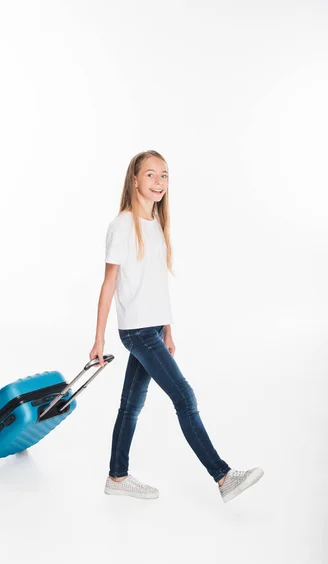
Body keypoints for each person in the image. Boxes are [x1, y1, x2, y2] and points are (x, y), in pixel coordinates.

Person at [89, 150, 264, 503]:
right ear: (134, 179)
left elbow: (157, 283)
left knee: (130, 405)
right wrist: (98, 339)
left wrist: (168, 329)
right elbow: (109, 283)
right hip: (136, 330)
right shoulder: (122, 225)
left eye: (164, 176)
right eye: (151, 175)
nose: (159, 182)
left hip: (152, 329)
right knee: (184, 396)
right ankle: (223, 476)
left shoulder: (156, 225)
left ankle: (116, 476)